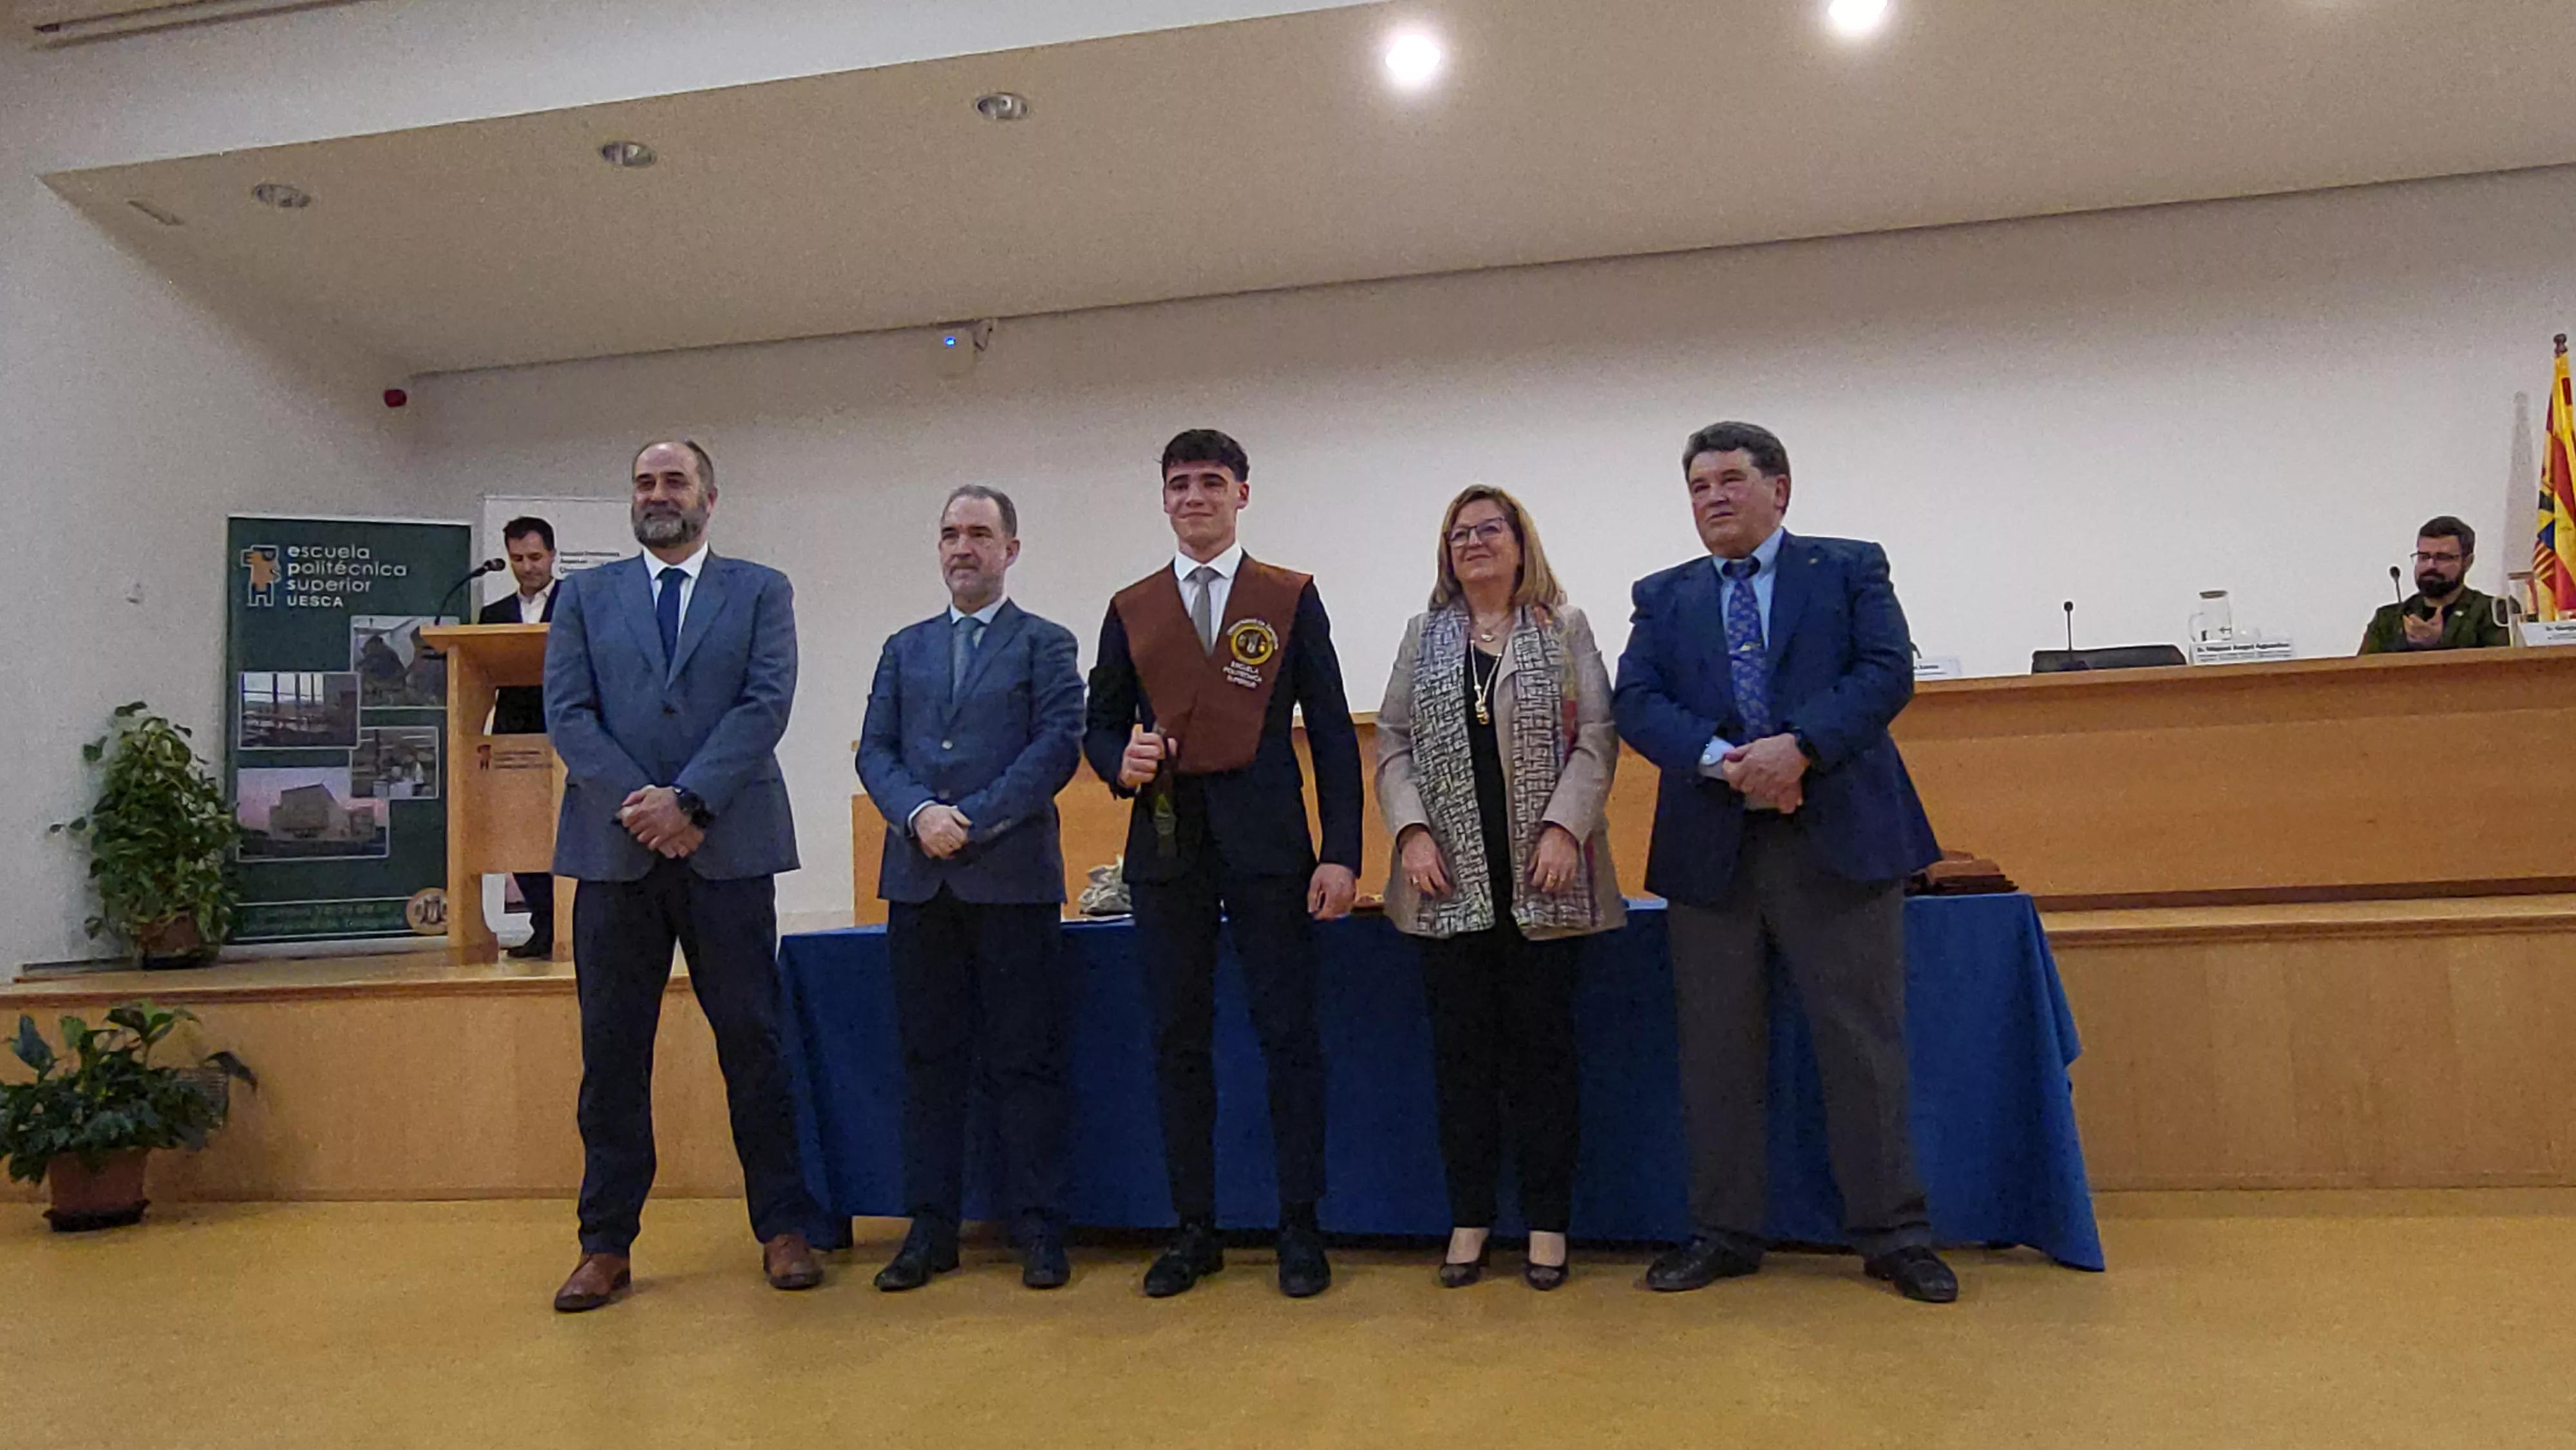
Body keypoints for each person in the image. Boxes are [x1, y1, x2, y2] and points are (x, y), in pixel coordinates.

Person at [1611, 421, 1956, 1304]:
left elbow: (1886, 673)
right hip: (1713, 852)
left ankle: (1895, 1236)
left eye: (1730, 479)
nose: (1713, 498)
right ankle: (1724, 1234)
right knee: (1718, 1054)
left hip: (1839, 842)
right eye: (1698, 486)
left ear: (1781, 489)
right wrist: (1728, 762)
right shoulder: (1663, 595)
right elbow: (1637, 701)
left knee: (1861, 1046)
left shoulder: (1847, 568)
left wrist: (1798, 748)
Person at [542, 439, 825, 1312]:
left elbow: (765, 703)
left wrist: (691, 803)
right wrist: (643, 803)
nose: (656, 494)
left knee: (754, 1044)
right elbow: (568, 712)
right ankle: (605, 1245)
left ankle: (783, 1226)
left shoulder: (760, 590)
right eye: (643, 482)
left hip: (728, 850)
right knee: (612, 1055)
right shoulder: (584, 597)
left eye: (673, 481)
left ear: (710, 496)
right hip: (616, 853)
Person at [1083, 428, 1363, 1299]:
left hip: (1272, 847)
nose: (1194, 496)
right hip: (1167, 847)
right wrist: (1113, 763)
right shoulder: (1131, 607)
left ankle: (1299, 1226)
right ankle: (1193, 1227)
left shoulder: (1286, 596)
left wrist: (1343, 852)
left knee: (1288, 1037)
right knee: (1177, 1042)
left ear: (1243, 493)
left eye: (1212, 481)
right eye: (1179, 484)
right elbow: (1100, 725)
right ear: (1163, 499)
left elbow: (1329, 731)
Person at [1374, 485, 1622, 1291]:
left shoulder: (1565, 628)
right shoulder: (1424, 634)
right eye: (1458, 534)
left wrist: (1564, 827)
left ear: (1521, 543)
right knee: (1463, 1065)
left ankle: (1547, 1225)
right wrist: (1410, 831)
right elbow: (1392, 744)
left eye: (1489, 530)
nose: (1473, 543)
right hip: (1446, 884)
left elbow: (1597, 737)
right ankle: (1470, 1218)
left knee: (1545, 1061)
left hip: (1547, 881)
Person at [856, 485, 1085, 1292]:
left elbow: (1056, 747)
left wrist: (971, 819)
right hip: (920, 886)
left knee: (1026, 1060)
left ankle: (1040, 1228)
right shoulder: (902, 647)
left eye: (980, 534)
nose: (963, 547)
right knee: (928, 1062)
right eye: (950, 533)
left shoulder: (1046, 644)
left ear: (1010, 549)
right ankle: (930, 1229)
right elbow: (874, 751)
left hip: (1012, 884)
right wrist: (919, 813)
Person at [479, 516, 561, 959]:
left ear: (552, 554)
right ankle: (542, 925)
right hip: (515, 735)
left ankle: (571, 928)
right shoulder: (493, 616)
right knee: (520, 833)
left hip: (565, 733)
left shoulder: (576, 604)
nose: (527, 567)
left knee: (564, 837)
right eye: (517, 559)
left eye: (535, 557)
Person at [2358, 516, 2512, 654]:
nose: (2431, 566)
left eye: (2443, 557)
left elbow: (2503, 671)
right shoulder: (2388, 619)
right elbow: (2362, 676)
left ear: (2467, 562)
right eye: (2424, 557)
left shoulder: (2495, 612)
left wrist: (2439, 643)